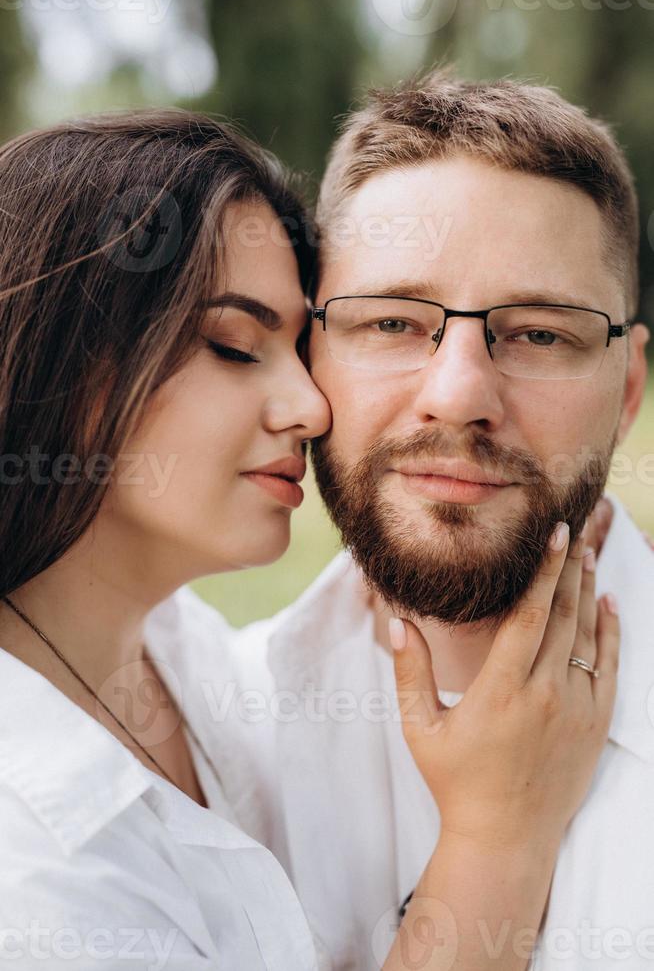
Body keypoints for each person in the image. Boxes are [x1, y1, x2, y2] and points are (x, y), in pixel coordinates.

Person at [0, 108, 620, 971]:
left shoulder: (193, 665)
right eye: (231, 345)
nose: (311, 405)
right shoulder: (29, 872)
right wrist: (494, 840)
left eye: (299, 343)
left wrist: (449, 549)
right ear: (66, 372)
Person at [151, 72, 653, 970]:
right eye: (391, 322)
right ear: (308, 357)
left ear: (628, 389)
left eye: (540, 333)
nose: (458, 395)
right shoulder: (208, 740)